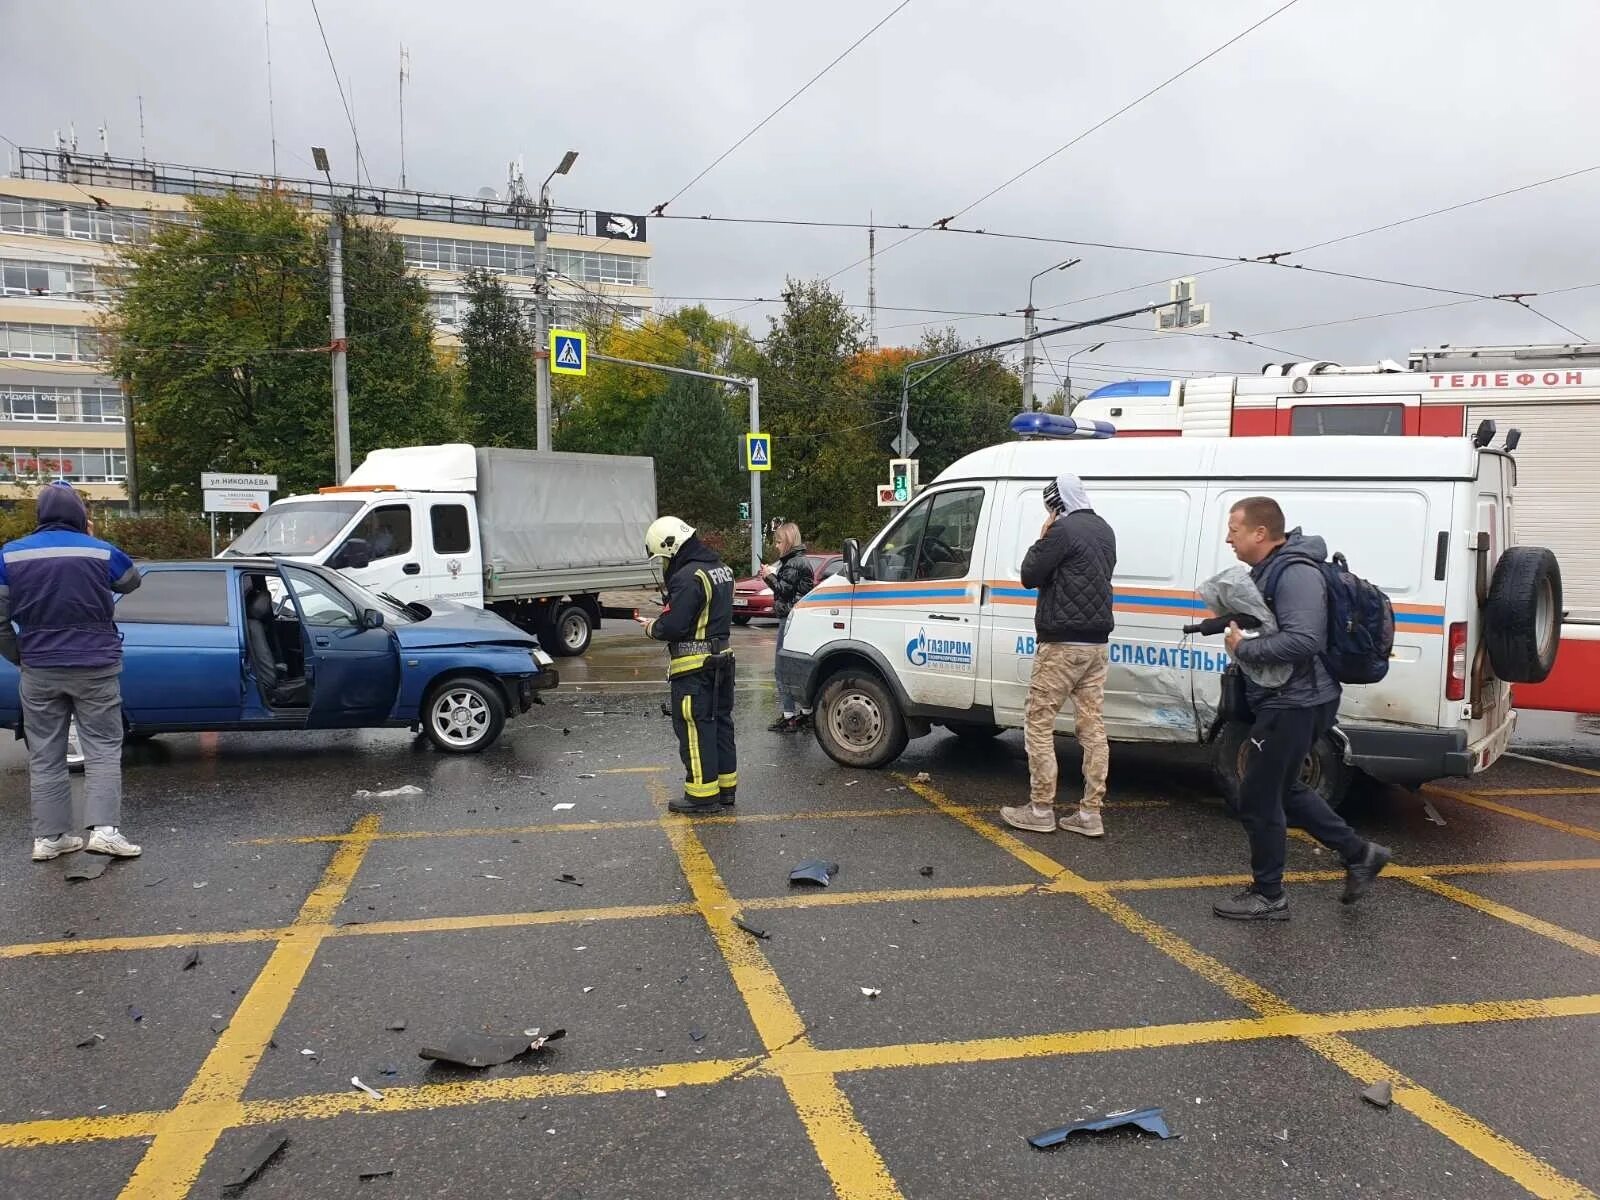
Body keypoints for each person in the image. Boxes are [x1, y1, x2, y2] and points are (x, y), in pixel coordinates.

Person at [1214, 497, 1389, 920]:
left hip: (1297, 701)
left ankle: (1269, 896)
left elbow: (1304, 639)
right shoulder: (1276, 569)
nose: (1228, 537)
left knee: (1256, 796)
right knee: (1285, 786)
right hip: (1295, 699)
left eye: (1234, 529)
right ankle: (1359, 853)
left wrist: (1246, 648)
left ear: (1260, 532)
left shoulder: (1295, 572)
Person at [0, 482, 143, 861]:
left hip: (39, 667)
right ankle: (105, 832)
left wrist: (20, 655)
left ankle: (50, 839)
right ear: (80, 515)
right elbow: (131, 580)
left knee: (45, 753)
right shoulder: (98, 551)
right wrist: (92, 538)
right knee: (102, 749)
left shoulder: (9, 555)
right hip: (95, 664)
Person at [1000, 473, 1117, 838]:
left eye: (1050, 507)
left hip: (1062, 643)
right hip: (1096, 644)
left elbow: (1029, 574)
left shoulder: (1062, 531)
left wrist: (1044, 532)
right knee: (1092, 726)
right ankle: (1090, 813)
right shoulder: (1105, 530)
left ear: (1057, 503)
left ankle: (1040, 809)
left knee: (1038, 722)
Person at [640, 516, 738, 815]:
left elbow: (674, 627)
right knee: (721, 724)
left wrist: (651, 626)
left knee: (695, 728)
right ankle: (725, 790)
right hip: (723, 660)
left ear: (670, 547)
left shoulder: (689, 576)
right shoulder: (722, 569)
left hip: (695, 668)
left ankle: (701, 795)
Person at [762, 522, 816, 733]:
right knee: (798, 668)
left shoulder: (793, 563)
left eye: (778, 541)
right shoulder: (800, 561)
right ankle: (806, 713)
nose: (776, 546)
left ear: (788, 541)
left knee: (782, 669)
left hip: (790, 619)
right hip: (800, 618)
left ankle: (789, 716)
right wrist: (770, 578)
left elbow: (783, 591)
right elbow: (787, 590)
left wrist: (769, 575)